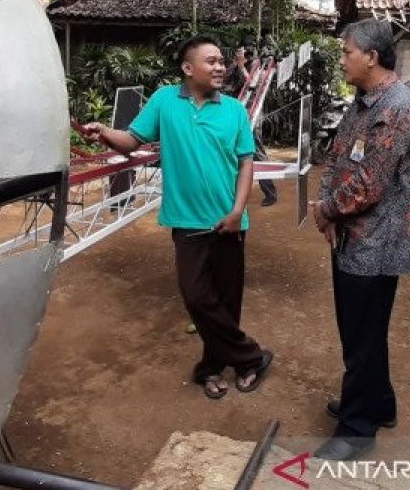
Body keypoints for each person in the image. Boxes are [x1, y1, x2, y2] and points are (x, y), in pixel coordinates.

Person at [83, 36, 274, 399]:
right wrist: (106, 133)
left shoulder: (234, 110)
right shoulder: (164, 101)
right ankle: (252, 357)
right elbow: (132, 140)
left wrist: (237, 211)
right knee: (197, 297)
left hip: (229, 223)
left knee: (227, 301)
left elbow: (246, 162)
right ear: (188, 69)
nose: (220, 67)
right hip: (186, 222)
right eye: (211, 61)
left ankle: (212, 368)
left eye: (222, 61)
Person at [310, 18, 410, 461]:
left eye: (346, 52)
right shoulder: (363, 104)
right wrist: (326, 207)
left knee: (362, 333)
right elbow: (338, 158)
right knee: (362, 331)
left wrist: (325, 210)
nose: (342, 59)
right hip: (353, 237)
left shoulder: (397, 108)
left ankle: (357, 428)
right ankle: (379, 404)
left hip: (377, 244)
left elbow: (369, 184)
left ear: (371, 57)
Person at [223, 46, 278, 207]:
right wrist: (236, 66)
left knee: (257, 152)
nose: (243, 56)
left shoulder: (257, 67)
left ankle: (270, 193)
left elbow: (253, 86)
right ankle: (232, 192)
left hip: (252, 115)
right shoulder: (232, 67)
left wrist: (241, 67)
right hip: (234, 114)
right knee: (232, 152)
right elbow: (225, 84)